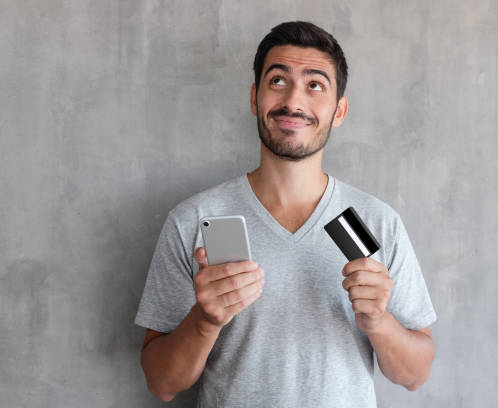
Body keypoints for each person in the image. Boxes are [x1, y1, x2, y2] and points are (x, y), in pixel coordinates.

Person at [134, 21, 437, 407]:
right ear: (254, 98)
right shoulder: (193, 220)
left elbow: (415, 375)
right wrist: (205, 320)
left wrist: (379, 321)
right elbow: (162, 384)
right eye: (278, 81)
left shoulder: (379, 222)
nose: (294, 102)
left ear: (339, 110)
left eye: (315, 85)